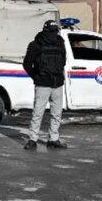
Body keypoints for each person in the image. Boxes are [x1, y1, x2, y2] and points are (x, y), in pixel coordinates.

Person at [22, 20, 68, 150]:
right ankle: (34, 139)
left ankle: (51, 139)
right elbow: (27, 64)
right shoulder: (37, 44)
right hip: (46, 83)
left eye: (56, 31)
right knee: (40, 113)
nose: (55, 34)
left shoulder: (59, 43)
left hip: (55, 83)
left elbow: (62, 61)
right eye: (53, 31)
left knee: (54, 113)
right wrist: (36, 77)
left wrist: (37, 76)